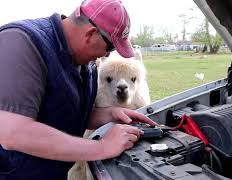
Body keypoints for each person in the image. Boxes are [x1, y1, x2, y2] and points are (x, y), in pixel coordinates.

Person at [0, 0, 157, 179]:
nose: (107, 54)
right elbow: (12, 133)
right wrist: (102, 147)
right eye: (110, 47)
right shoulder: (21, 43)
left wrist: (111, 114)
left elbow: (65, 114)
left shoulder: (85, 63)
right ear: (91, 34)